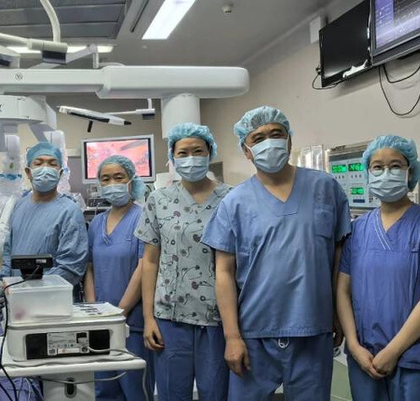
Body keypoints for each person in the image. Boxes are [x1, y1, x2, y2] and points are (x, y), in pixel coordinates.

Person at [202, 106, 351, 400]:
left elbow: (338, 256)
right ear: (247, 151)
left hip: (312, 325)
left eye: (276, 134)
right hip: (254, 330)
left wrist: (336, 313)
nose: (268, 142)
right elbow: (224, 273)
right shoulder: (235, 202)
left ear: (289, 140)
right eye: (257, 138)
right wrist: (232, 336)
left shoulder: (325, 188)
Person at [337, 135, 420, 401]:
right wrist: (352, 343)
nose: (386, 173)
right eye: (377, 167)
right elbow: (342, 291)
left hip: (418, 357)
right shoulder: (358, 230)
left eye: (395, 166)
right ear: (368, 174)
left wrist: (393, 351)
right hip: (366, 355)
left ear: (410, 173)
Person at [135, 123, 232, 401]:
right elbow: (150, 261)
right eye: (183, 152)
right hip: (169, 318)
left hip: (217, 319)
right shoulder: (158, 199)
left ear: (210, 152)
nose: (191, 158)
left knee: (216, 393)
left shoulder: (231, 198)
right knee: (170, 393)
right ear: (173, 158)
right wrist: (148, 317)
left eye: (198, 151)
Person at [83, 155, 154, 400]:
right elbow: (90, 268)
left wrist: (118, 313)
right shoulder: (96, 223)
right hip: (100, 324)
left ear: (131, 180)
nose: (112, 183)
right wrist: (94, 311)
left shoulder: (143, 217)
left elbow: (144, 267)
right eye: (106, 178)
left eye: (118, 177)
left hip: (131, 323)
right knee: (104, 391)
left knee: (135, 390)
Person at [0, 142, 89, 306]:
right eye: (38, 163)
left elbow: (71, 268)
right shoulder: (19, 206)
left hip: (54, 303)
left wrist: (27, 289)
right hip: (18, 302)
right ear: (28, 172)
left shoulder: (70, 211)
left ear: (60, 173)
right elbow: (9, 254)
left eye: (52, 164)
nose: (45, 168)